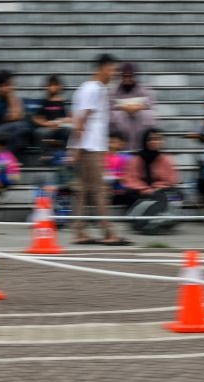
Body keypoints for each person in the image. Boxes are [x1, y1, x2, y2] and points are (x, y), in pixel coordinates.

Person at [69, 53, 131, 245]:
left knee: (83, 190)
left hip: (90, 145)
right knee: (100, 190)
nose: (113, 74)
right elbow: (81, 119)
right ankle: (108, 232)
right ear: (102, 69)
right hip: (91, 146)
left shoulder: (91, 88)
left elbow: (79, 119)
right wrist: (76, 147)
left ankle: (79, 231)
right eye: (112, 70)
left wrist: (75, 147)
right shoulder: (93, 89)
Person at [121, 128, 179, 208]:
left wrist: (155, 188)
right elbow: (130, 178)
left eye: (157, 139)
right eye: (150, 140)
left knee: (176, 195)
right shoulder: (137, 159)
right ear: (145, 141)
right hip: (140, 192)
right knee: (129, 195)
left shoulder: (165, 159)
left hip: (159, 191)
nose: (154, 142)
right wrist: (144, 189)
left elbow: (171, 180)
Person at [110, 62, 157, 150]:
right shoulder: (114, 91)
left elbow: (150, 104)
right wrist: (124, 108)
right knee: (116, 115)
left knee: (147, 114)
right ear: (121, 76)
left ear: (135, 76)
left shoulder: (144, 90)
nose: (127, 79)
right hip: (122, 135)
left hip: (140, 133)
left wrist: (137, 107)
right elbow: (111, 106)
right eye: (125, 76)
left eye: (130, 76)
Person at [32, 75, 71, 154]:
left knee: (69, 131)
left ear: (60, 87)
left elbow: (71, 118)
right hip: (49, 128)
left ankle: (65, 155)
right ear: (47, 87)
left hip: (62, 127)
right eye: (51, 85)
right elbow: (36, 118)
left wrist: (61, 122)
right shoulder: (45, 102)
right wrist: (47, 124)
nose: (53, 87)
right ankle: (45, 155)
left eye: (55, 85)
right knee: (40, 132)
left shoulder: (65, 102)